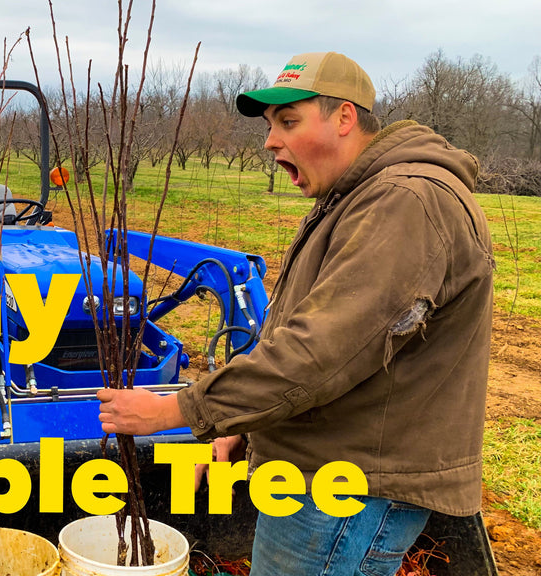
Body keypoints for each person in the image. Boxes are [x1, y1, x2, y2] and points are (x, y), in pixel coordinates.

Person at [97, 52, 494, 576]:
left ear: (345, 117)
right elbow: (306, 332)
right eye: (269, 125)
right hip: (322, 473)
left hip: (347, 491)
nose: (269, 141)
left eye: (288, 121)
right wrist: (239, 425)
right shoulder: (352, 199)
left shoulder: (405, 202)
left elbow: (321, 352)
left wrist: (178, 410)